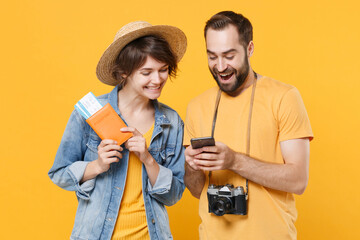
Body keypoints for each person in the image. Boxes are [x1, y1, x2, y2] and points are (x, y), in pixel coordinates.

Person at [48, 21, 187, 240]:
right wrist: (97, 165)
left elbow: (174, 194)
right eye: (146, 72)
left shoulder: (172, 121)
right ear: (124, 72)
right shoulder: (91, 113)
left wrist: (148, 158)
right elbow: (59, 173)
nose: (158, 79)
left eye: (163, 70)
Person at [184, 11, 313, 240]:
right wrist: (191, 167)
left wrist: (234, 161)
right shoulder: (196, 106)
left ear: (250, 49)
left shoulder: (285, 97)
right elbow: (198, 190)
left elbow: (298, 180)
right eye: (212, 56)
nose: (220, 66)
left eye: (229, 55)